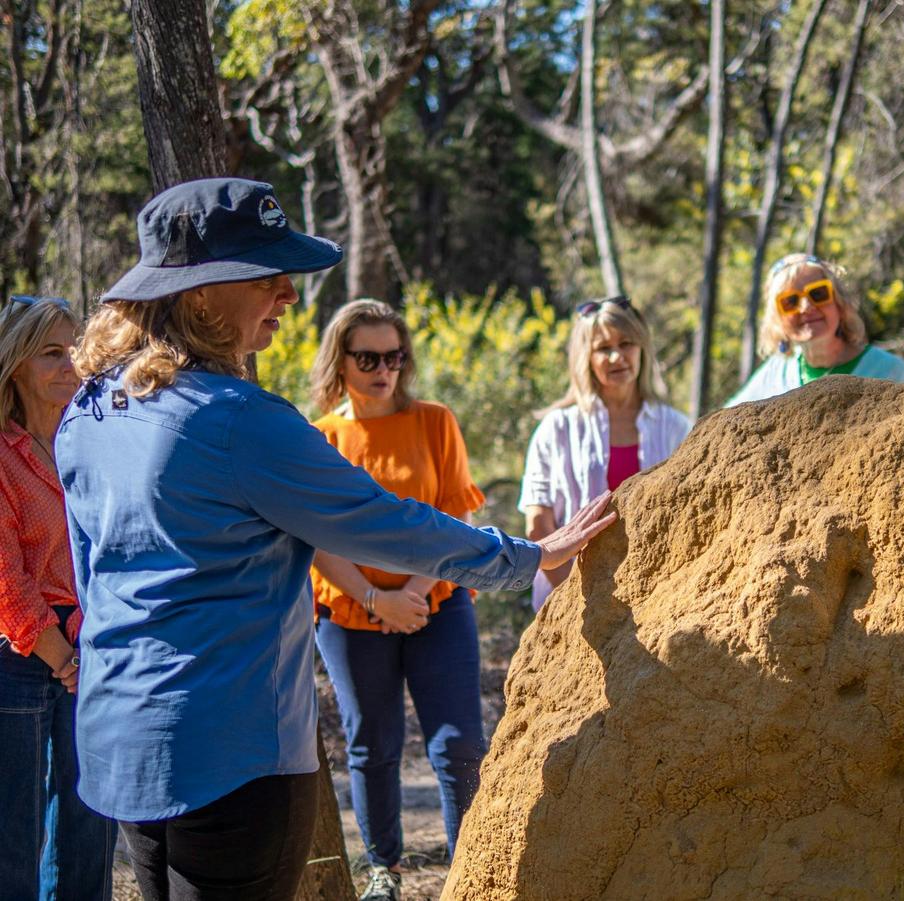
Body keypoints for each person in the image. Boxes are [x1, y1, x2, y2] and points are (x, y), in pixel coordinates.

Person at [55, 177, 614, 901]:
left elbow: (91, 572)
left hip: (120, 745)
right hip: (231, 759)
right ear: (198, 297)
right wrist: (530, 556)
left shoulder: (93, 406)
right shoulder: (238, 420)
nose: (290, 293)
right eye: (269, 275)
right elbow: (385, 522)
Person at [307, 299, 490, 899]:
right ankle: (383, 869)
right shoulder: (323, 437)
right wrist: (371, 598)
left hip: (436, 601)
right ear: (341, 361)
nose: (384, 368)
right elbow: (313, 534)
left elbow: (455, 513)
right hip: (351, 612)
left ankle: (473, 869)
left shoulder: (435, 421)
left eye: (394, 356)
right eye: (368, 358)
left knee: (457, 742)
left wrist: (414, 591)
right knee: (372, 742)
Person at [0, 295, 116, 900]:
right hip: (17, 657)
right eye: (51, 352)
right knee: (12, 830)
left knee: (89, 818)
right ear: (16, 364)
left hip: (95, 644)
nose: (69, 363)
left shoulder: (94, 442)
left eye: (75, 348)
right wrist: (61, 657)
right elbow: (5, 579)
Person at [520, 295, 690, 611]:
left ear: (642, 348)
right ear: (585, 357)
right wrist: (577, 599)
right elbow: (537, 523)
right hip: (570, 606)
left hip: (660, 603)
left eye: (626, 343)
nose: (616, 357)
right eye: (602, 348)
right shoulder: (555, 429)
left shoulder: (677, 427)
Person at [727, 254, 904, 406]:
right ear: (777, 320)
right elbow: (723, 422)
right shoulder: (777, 371)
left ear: (839, 303)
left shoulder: (891, 372)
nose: (806, 307)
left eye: (817, 294)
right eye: (790, 301)